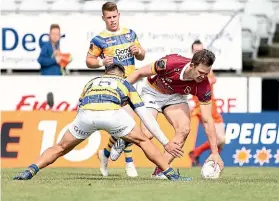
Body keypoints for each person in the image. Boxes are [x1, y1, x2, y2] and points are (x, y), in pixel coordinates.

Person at [13, 64, 189, 181]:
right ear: (122, 75)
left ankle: (30, 170)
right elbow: (144, 115)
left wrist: (82, 126)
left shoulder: (91, 82)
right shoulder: (125, 83)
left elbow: (80, 106)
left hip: (85, 116)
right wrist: (165, 142)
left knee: (60, 147)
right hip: (111, 115)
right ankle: (171, 174)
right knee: (143, 140)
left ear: (106, 73)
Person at [111, 49, 224, 179]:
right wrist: (117, 92)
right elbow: (140, 73)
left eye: (207, 73)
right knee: (147, 134)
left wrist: (214, 153)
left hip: (175, 97)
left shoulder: (204, 86)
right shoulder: (170, 63)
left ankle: (160, 171)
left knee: (184, 129)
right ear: (192, 65)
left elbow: (207, 120)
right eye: (200, 72)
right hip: (152, 92)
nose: (203, 77)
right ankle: (123, 140)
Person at [85, 1, 146, 177]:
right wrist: (100, 62)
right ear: (103, 18)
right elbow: (88, 61)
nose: (112, 20)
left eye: (114, 16)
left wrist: (138, 51)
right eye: (109, 17)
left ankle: (105, 153)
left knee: (127, 124)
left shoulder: (130, 33)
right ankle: (129, 163)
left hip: (132, 84)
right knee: (130, 122)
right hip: (114, 86)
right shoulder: (99, 39)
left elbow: (142, 55)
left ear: (119, 15)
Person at [188, 40, 226, 166]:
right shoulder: (192, 68)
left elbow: (211, 80)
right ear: (193, 52)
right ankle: (211, 162)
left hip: (213, 105)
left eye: (201, 50)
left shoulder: (208, 67)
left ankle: (196, 153)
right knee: (218, 139)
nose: (199, 53)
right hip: (202, 106)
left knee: (222, 141)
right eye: (196, 51)